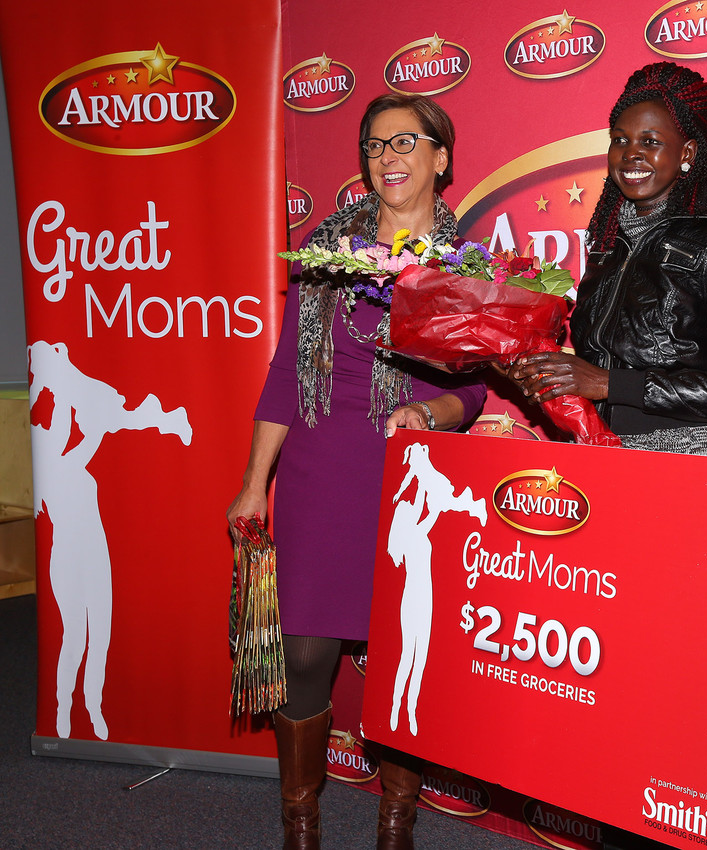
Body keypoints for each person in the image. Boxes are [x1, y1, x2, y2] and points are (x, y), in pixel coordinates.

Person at [225, 93, 486, 850]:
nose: (387, 156)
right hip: (320, 471)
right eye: (374, 144)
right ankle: (300, 823)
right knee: (303, 653)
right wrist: (254, 482)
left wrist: (430, 412)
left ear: (441, 156)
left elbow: (473, 386)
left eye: (406, 141)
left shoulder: (468, 264)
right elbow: (286, 370)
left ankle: (395, 822)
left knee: (402, 656)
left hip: (411, 478)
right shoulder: (325, 248)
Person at [509, 61, 707, 455]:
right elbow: (596, 371)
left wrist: (609, 384)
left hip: (685, 455)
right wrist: (545, 374)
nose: (631, 153)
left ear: (686, 152)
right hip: (598, 449)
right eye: (620, 140)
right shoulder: (607, 245)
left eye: (650, 142)